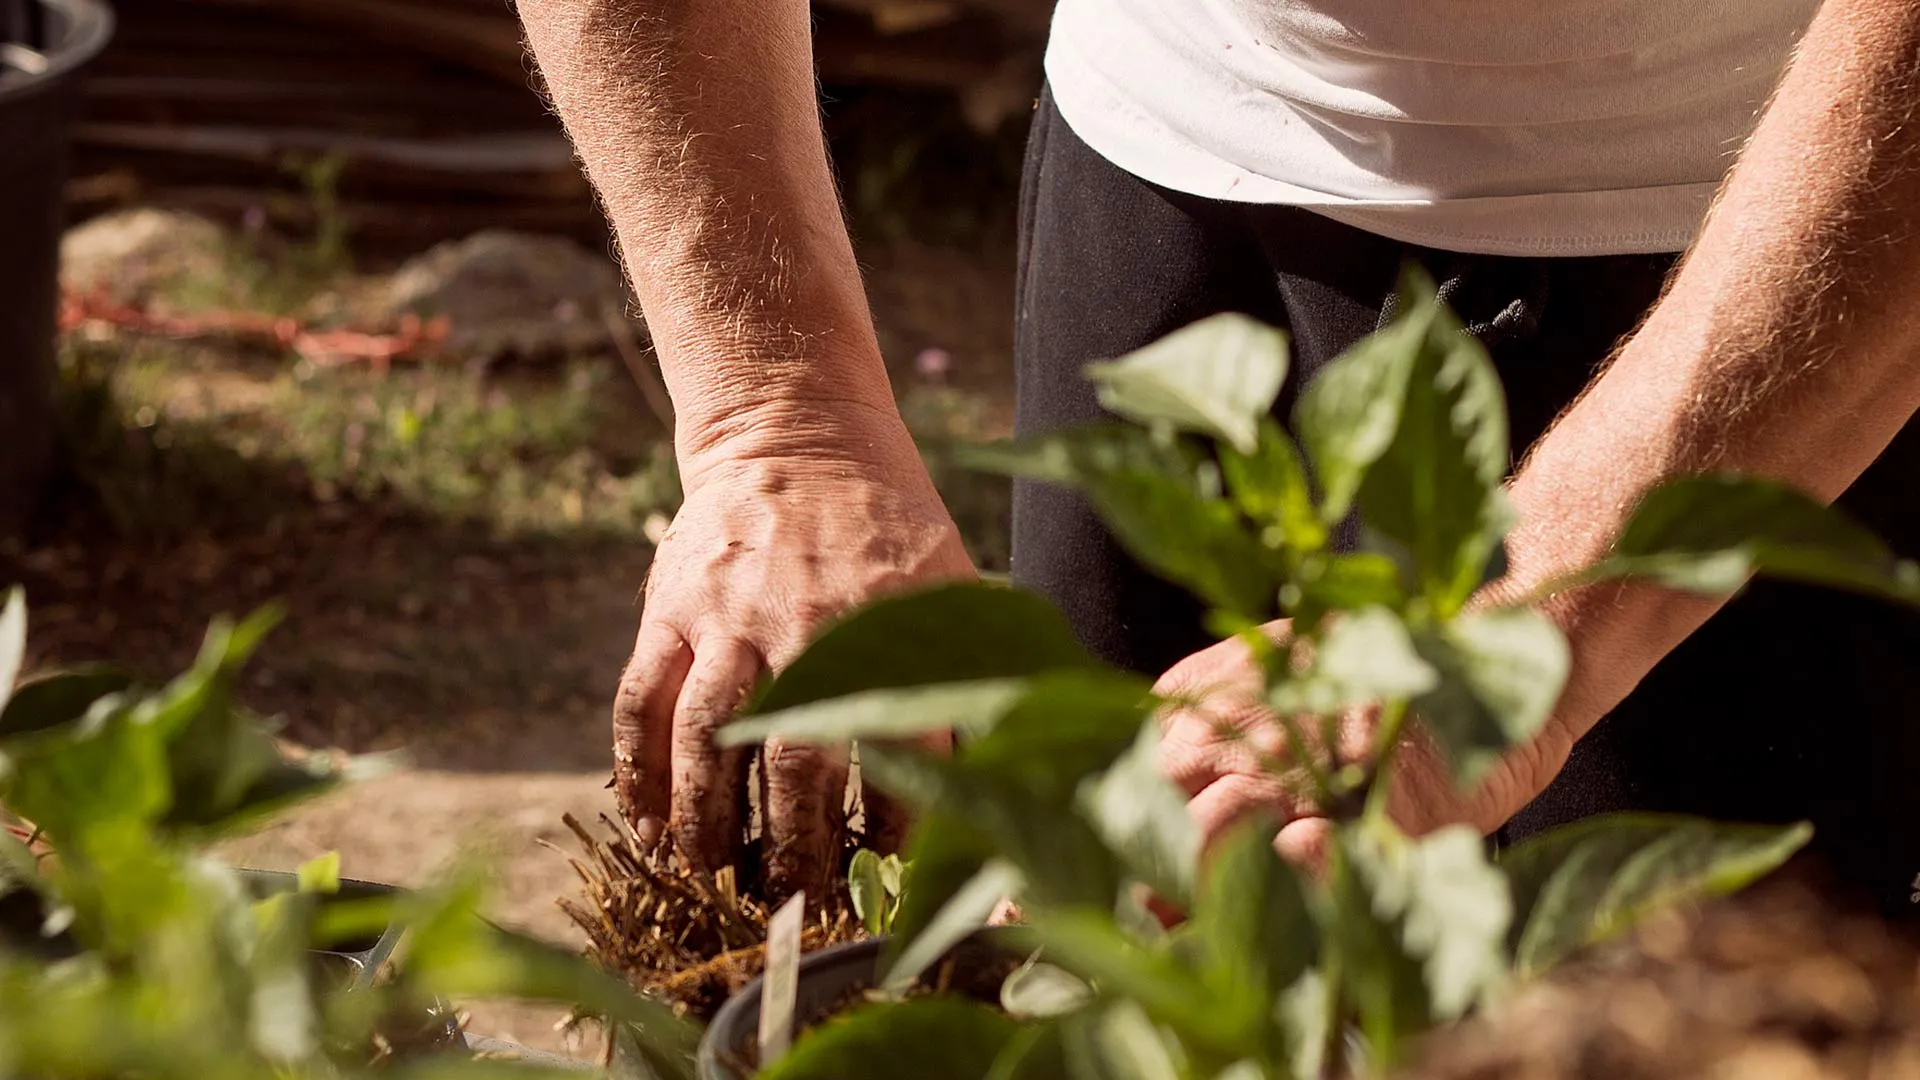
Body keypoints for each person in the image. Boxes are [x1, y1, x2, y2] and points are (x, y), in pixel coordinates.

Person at [514, 0, 1920, 915]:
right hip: (1165, 171)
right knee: (1106, 960)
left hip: (1786, 256)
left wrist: (1524, 620)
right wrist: (779, 411)